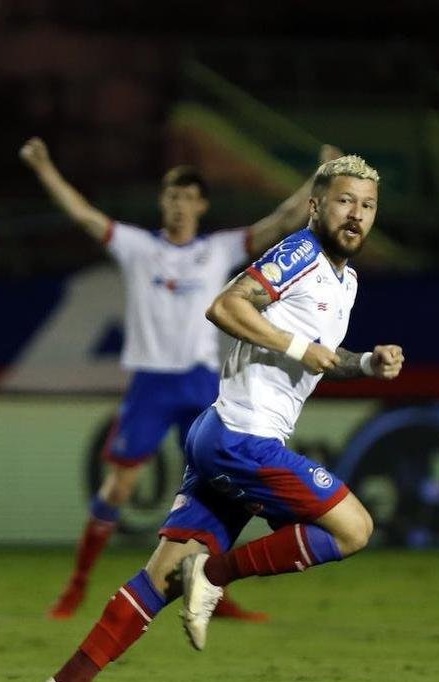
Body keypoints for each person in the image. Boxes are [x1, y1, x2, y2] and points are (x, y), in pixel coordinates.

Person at [33, 154, 403, 682]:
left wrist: (364, 363)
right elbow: (226, 306)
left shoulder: (345, 278)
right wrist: (299, 348)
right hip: (242, 438)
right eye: (344, 202)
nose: (356, 215)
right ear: (315, 206)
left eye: (367, 206)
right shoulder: (300, 253)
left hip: (221, 430)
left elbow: (320, 360)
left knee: (162, 575)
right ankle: (218, 574)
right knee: (353, 528)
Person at [19, 136, 340, 621]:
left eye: (189, 197)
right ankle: (77, 585)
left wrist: (320, 179)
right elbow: (84, 216)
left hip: (201, 383)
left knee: (225, 489)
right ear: (163, 203)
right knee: (120, 488)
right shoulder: (139, 247)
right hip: (151, 384)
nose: (179, 205)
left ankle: (216, 590)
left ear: (201, 205)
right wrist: (45, 169)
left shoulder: (217, 250)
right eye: (172, 196)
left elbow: (281, 221)